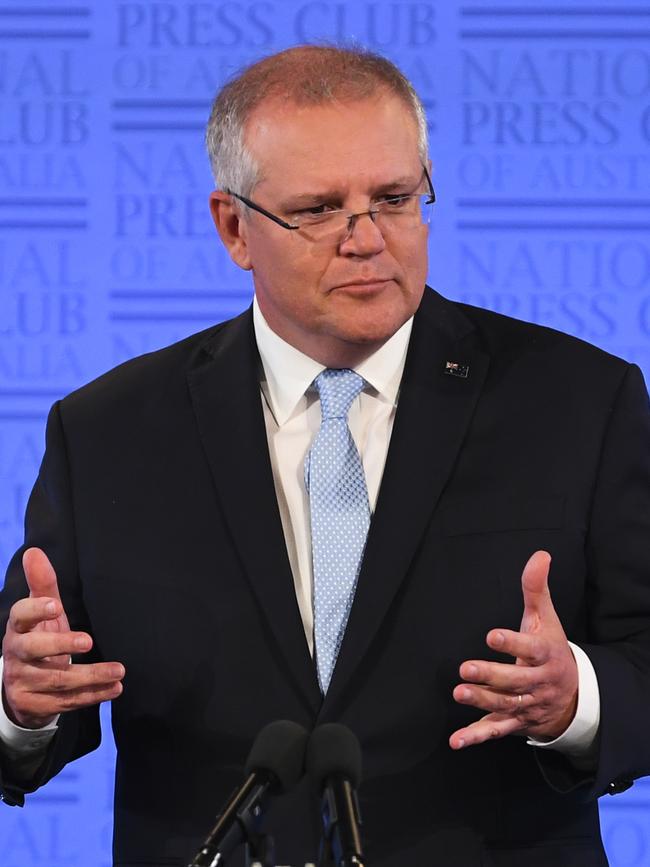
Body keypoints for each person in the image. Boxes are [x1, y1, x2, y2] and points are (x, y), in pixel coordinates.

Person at [1, 45, 650, 867]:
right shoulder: (107, 431)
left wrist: (576, 698)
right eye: (318, 209)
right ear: (233, 226)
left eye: (394, 198)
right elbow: (38, 685)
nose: (367, 239)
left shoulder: (577, 401)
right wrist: (20, 706)